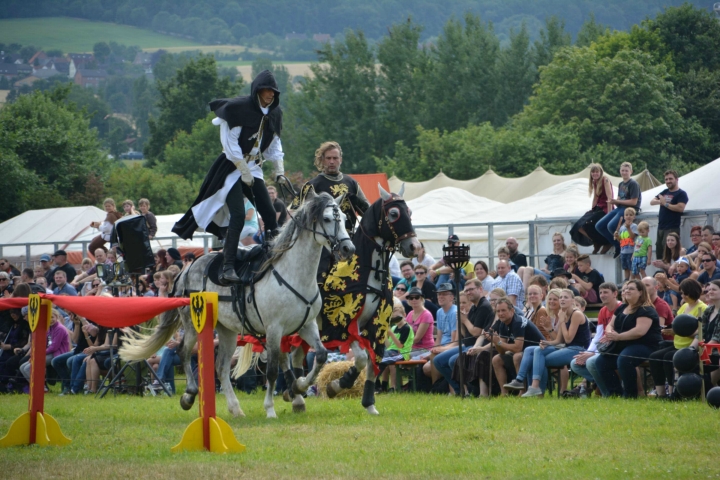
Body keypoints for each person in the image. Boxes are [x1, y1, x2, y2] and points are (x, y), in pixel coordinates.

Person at [172, 70, 285, 284]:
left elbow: (274, 144)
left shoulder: (274, 113)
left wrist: (279, 170)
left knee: (270, 214)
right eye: (266, 90)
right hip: (232, 167)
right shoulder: (238, 110)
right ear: (257, 91)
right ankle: (228, 266)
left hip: (253, 166)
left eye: (273, 91)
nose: (270, 95)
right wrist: (242, 169)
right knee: (237, 215)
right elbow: (229, 144)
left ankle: (273, 255)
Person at [505, 289, 590, 396]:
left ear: (572, 301)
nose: (562, 299)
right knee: (531, 350)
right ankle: (520, 380)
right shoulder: (563, 314)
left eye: (565, 297)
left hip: (578, 349)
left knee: (540, 357)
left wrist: (562, 321)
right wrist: (547, 341)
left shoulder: (576, 314)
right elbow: (559, 340)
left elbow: (568, 339)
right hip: (567, 348)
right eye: (561, 297)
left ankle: (536, 389)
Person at [594, 280, 663, 398]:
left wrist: (619, 337)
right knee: (601, 362)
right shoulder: (622, 308)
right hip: (623, 344)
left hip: (646, 345)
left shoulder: (646, 309)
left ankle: (630, 394)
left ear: (640, 292)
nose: (626, 291)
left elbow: (640, 331)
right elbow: (611, 324)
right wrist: (610, 332)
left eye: (631, 289)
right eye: (625, 289)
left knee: (625, 359)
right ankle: (615, 393)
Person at [291, 141, 370, 234]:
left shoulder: (352, 183)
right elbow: (293, 213)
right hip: (323, 241)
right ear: (323, 160)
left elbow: (368, 211)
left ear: (340, 159)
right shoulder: (311, 186)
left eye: (335, 158)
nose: (332, 161)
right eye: (328, 158)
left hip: (349, 238)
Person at [433, 279, 494, 395]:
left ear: (480, 289)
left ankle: (468, 390)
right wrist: (460, 321)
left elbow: (476, 332)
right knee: (438, 360)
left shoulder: (484, 307)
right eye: (466, 290)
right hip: (467, 344)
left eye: (471, 289)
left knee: (452, 360)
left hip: (478, 345)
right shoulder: (474, 307)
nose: (468, 292)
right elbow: (466, 334)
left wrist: (465, 320)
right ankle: (459, 389)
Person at [648, 278, 704, 398]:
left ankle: (672, 391)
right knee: (654, 357)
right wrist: (672, 330)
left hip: (688, 346)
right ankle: (660, 392)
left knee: (669, 358)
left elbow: (700, 333)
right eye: (681, 293)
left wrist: (678, 332)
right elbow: (677, 325)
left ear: (693, 291)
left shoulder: (702, 308)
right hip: (677, 344)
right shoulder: (684, 306)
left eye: (685, 293)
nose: (683, 296)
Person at [484, 298, 545, 396]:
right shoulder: (503, 324)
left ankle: (522, 391)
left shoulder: (517, 322)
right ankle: (504, 393)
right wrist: (495, 342)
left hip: (537, 352)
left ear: (512, 310)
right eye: (498, 311)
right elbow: (502, 351)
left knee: (517, 356)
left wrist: (499, 342)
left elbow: (517, 348)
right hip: (523, 352)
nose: (500, 314)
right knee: (496, 359)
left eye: (503, 310)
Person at [570, 282, 621, 396]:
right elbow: (598, 336)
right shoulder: (603, 310)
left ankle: (608, 393)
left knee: (592, 362)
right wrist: (588, 352)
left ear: (615, 294)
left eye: (606, 292)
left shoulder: (621, 308)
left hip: (615, 348)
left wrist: (593, 354)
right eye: (601, 292)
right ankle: (605, 386)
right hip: (602, 348)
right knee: (575, 363)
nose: (602, 295)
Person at [596, 162, 641, 258]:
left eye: (626, 171)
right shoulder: (621, 184)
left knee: (611, 226)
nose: (624, 173)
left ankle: (620, 246)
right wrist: (613, 201)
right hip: (620, 207)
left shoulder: (633, 184)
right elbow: (620, 198)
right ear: (620, 171)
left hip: (629, 209)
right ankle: (616, 244)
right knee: (599, 225)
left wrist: (618, 201)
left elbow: (634, 202)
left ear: (631, 172)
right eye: (622, 170)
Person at [571, 163, 615, 253]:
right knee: (579, 226)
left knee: (593, 224)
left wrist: (609, 214)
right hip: (598, 208)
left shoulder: (605, 180)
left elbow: (609, 198)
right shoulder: (595, 181)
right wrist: (592, 210)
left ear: (600, 172)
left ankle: (606, 242)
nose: (595, 174)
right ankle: (597, 241)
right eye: (593, 172)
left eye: (597, 172)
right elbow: (595, 197)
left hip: (605, 208)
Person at [422, 283, 458, 382]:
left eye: (444, 294)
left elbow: (454, 342)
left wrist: (440, 350)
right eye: (439, 294)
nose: (440, 296)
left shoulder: (455, 312)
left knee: (429, 366)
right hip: (441, 348)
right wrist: (434, 348)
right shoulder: (439, 312)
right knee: (425, 368)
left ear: (452, 297)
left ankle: (436, 387)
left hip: (450, 348)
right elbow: (439, 337)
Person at [377, 298, 415, 393]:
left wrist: (391, 334)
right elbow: (389, 345)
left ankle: (393, 387)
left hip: (402, 353)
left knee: (385, 361)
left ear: (404, 315)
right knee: (379, 357)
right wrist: (384, 334)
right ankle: (383, 385)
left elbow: (400, 345)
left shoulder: (406, 328)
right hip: (392, 351)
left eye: (398, 317)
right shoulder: (394, 327)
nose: (396, 320)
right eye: (394, 318)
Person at [649, 170, 688, 260]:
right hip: (661, 227)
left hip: (672, 228)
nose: (668, 181)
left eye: (670, 179)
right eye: (666, 179)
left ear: (676, 179)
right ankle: (662, 274)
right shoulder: (665, 191)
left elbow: (680, 208)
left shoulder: (681, 193)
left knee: (670, 255)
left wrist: (666, 204)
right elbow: (652, 201)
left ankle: (671, 273)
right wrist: (661, 202)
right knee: (660, 254)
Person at [404, 287, 434, 357]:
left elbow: (417, 338)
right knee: (390, 355)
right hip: (411, 348)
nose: (414, 300)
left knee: (398, 357)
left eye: (417, 297)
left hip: (425, 349)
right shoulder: (410, 313)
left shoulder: (426, 314)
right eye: (411, 298)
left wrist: (402, 344)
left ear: (421, 299)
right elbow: (405, 332)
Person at [615, 207, 638, 282]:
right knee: (625, 268)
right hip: (623, 251)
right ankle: (626, 281)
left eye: (630, 215)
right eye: (627, 215)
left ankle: (632, 281)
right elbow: (620, 240)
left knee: (631, 267)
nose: (628, 216)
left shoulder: (634, 226)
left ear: (634, 217)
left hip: (631, 251)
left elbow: (632, 236)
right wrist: (617, 236)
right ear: (624, 216)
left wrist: (628, 228)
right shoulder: (621, 227)